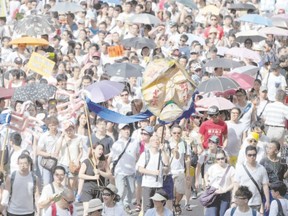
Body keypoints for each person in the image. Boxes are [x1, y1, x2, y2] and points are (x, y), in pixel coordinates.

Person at [108, 123, 139, 212]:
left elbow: (137, 155)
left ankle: (126, 204)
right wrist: (108, 170)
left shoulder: (135, 141)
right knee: (120, 191)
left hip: (131, 171)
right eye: (124, 129)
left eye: (128, 129)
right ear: (120, 131)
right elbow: (110, 158)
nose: (126, 131)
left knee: (131, 191)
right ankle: (116, 207)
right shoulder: (116, 144)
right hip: (120, 171)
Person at [137, 134, 169, 214]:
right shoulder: (145, 154)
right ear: (150, 143)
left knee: (159, 206)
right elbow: (140, 169)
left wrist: (164, 151)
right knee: (147, 207)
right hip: (147, 184)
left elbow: (166, 164)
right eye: (154, 140)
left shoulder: (161, 154)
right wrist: (153, 172)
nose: (156, 142)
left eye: (157, 140)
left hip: (159, 185)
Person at [233, 146, 270, 214]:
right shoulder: (240, 169)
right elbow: (236, 185)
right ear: (246, 156)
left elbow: (265, 185)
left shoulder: (262, 169)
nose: (252, 157)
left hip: (256, 202)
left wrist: (267, 200)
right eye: (249, 155)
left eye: (254, 155)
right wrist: (233, 201)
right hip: (242, 201)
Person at [78, 143, 111, 216]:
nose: (101, 151)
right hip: (88, 190)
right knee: (87, 211)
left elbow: (109, 175)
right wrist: (93, 177)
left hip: (99, 190)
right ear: (93, 150)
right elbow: (80, 175)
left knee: (98, 212)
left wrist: (100, 172)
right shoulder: (87, 161)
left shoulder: (103, 162)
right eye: (99, 149)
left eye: (102, 149)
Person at [204, 149, 235, 216]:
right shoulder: (213, 168)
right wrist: (207, 182)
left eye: (222, 158)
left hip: (225, 195)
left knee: (223, 214)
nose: (220, 160)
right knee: (212, 214)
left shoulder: (231, 169)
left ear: (225, 158)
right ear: (216, 160)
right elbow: (206, 174)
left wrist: (225, 190)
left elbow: (234, 183)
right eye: (218, 159)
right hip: (213, 194)